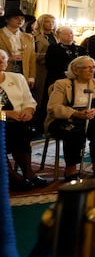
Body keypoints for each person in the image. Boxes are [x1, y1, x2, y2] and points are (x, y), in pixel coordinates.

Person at [45, 55, 95, 181]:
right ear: (75, 70)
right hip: (66, 118)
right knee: (74, 131)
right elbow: (53, 107)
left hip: (90, 116)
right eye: (87, 68)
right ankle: (71, 168)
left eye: (94, 67)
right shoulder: (62, 84)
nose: (92, 71)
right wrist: (75, 113)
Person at [1, 49, 48, 191]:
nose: (1, 62)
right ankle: (10, 175)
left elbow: (29, 100)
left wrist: (28, 110)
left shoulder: (17, 78)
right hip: (3, 120)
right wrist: (6, 114)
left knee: (21, 130)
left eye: (3, 59)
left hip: (18, 121)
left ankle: (29, 172)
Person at [0, 6, 36, 87]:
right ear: (7, 20)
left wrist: (31, 77)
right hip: (4, 70)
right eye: (16, 18)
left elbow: (32, 58)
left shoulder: (29, 37)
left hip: (23, 72)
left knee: (20, 96)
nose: (20, 20)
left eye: (22, 18)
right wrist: (8, 58)